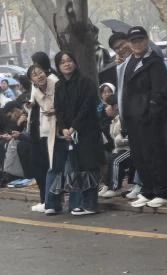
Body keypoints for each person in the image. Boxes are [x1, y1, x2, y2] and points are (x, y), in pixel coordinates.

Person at [119, 26, 167, 209]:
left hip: (150, 118)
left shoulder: (154, 62)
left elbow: (160, 90)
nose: (137, 44)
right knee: (140, 156)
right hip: (133, 117)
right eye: (134, 41)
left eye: (140, 40)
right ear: (129, 43)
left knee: (156, 155)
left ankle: (162, 191)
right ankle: (147, 190)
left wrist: (151, 111)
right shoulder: (128, 63)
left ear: (147, 40)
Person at [46, 52, 104, 216]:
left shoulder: (86, 83)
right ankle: (83, 203)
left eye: (69, 60)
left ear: (75, 63)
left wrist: (74, 126)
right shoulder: (59, 86)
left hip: (87, 131)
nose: (67, 64)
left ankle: (91, 204)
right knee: (77, 167)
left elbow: (87, 107)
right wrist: (64, 128)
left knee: (90, 165)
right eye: (62, 62)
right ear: (58, 66)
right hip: (70, 134)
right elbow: (59, 109)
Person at [26, 64, 58, 212]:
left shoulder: (54, 84)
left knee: (48, 168)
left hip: (49, 132)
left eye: (40, 72)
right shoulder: (36, 89)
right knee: (38, 168)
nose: (39, 76)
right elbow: (33, 109)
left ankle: (50, 201)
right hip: (36, 131)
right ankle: (45, 200)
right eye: (34, 74)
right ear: (31, 79)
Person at [99, 95, 137, 198]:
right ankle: (107, 185)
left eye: (107, 106)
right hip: (119, 150)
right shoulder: (113, 121)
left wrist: (120, 140)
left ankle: (115, 188)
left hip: (129, 150)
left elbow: (131, 138)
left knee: (116, 160)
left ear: (115, 106)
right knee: (109, 158)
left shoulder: (123, 120)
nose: (106, 109)